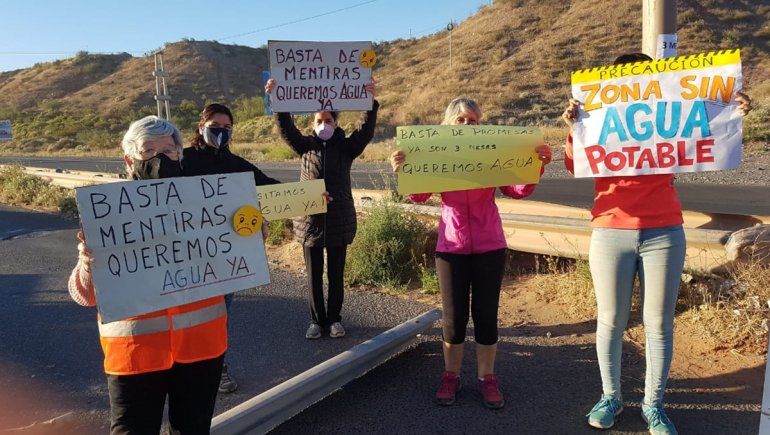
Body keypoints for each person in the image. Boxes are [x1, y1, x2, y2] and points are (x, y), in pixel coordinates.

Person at [562, 53, 753, 434]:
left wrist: (732, 109)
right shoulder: (597, 115)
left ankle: (654, 405)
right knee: (611, 321)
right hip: (610, 230)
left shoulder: (668, 119)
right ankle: (611, 397)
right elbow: (573, 164)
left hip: (664, 231)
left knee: (659, 324)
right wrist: (575, 126)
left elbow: (706, 130)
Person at [390, 98, 552, 409]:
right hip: (450, 246)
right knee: (454, 319)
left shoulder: (491, 150)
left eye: (474, 121)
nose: (468, 126)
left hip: (490, 244)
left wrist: (537, 165)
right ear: (450, 125)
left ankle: (486, 378)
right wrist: (404, 170)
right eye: (462, 120)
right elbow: (419, 195)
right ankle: (450, 375)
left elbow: (517, 190)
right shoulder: (436, 151)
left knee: (486, 315)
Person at [69, 116, 227, 434]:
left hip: (201, 348)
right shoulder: (107, 214)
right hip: (134, 354)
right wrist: (87, 261)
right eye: (148, 150)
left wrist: (250, 233)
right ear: (130, 159)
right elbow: (84, 295)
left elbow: (235, 261)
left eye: (169, 150)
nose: (159, 157)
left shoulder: (205, 206)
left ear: (179, 156)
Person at [265, 78, 377, 340]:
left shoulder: (348, 148)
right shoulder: (305, 146)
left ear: (336, 122)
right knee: (314, 276)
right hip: (309, 222)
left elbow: (366, 130)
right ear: (312, 124)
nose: (323, 124)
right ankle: (316, 321)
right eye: (318, 121)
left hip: (339, 221)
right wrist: (277, 101)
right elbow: (286, 129)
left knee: (336, 275)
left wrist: (370, 103)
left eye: (328, 120)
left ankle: (335, 319)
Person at [182, 103, 280, 394]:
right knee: (187, 318)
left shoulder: (237, 164)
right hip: (187, 258)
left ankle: (217, 369)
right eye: (215, 126)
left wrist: (313, 195)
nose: (221, 132)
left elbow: (272, 189)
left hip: (225, 258)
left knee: (217, 318)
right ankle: (186, 371)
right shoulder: (182, 161)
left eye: (226, 128)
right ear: (201, 127)